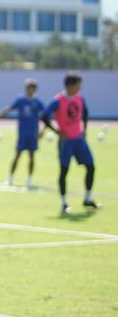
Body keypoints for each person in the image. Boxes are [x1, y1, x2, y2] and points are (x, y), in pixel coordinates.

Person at [41, 71, 100, 214]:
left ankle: (87, 199)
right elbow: (44, 116)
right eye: (78, 85)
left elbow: (85, 113)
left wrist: (84, 129)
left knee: (91, 167)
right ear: (70, 85)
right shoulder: (58, 100)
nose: (79, 88)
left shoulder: (80, 98)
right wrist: (57, 132)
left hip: (79, 139)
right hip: (65, 142)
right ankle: (64, 203)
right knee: (64, 171)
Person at [0, 78, 45, 187]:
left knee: (32, 157)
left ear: (34, 89)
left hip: (33, 134)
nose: (28, 90)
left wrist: (43, 131)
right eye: (26, 88)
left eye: (30, 88)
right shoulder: (21, 100)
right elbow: (8, 109)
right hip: (22, 134)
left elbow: (46, 117)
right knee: (17, 155)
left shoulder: (38, 102)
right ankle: (10, 179)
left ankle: (29, 180)